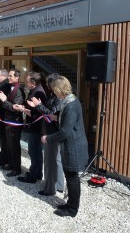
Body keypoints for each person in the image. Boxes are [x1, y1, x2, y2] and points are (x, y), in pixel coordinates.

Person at [41, 76, 89, 218]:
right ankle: (70, 203)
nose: (54, 93)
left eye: (55, 90)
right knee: (70, 177)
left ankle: (72, 209)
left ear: (59, 89)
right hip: (71, 145)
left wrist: (47, 138)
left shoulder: (70, 105)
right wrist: (55, 117)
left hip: (73, 147)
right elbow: (68, 122)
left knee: (72, 178)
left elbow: (64, 132)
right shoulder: (69, 101)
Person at [28, 73, 64, 196]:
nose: (47, 86)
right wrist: (38, 106)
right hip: (53, 130)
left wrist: (38, 105)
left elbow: (50, 114)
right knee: (56, 159)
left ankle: (50, 188)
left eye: (49, 84)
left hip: (52, 132)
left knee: (50, 161)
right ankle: (59, 185)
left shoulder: (58, 97)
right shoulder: (54, 95)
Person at [14, 71, 46, 183]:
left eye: (27, 81)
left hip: (36, 127)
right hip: (35, 126)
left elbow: (36, 114)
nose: (26, 82)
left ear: (33, 82)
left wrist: (22, 109)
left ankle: (32, 176)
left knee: (34, 151)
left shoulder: (38, 93)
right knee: (37, 151)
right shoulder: (35, 90)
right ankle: (38, 173)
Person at [0, 69, 25, 177]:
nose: (9, 77)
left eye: (11, 76)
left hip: (15, 122)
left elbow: (15, 108)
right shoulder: (9, 87)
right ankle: (11, 164)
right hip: (8, 120)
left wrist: (4, 100)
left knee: (15, 146)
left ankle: (17, 169)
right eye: (8, 76)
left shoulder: (19, 90)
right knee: (9, 144)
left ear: (17, 77)